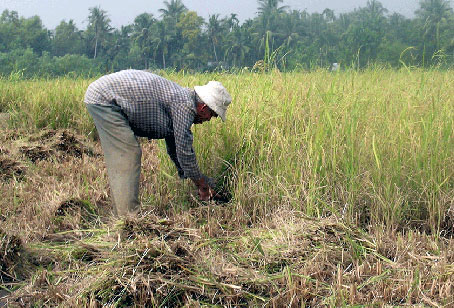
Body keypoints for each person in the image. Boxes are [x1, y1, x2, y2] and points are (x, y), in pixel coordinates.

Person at [84, 69, 232, 217]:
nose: (208, 120)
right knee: (127, 154)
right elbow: (184, 152)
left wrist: (195, 180)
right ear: (203, 107)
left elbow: (175, 148)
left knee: (127, 154)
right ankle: (128, 219)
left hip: (107, 98)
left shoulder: (183, 102)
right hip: (105, 100)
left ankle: (123, 214)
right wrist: (202, 183)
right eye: (212, 115)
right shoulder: (185, 105)